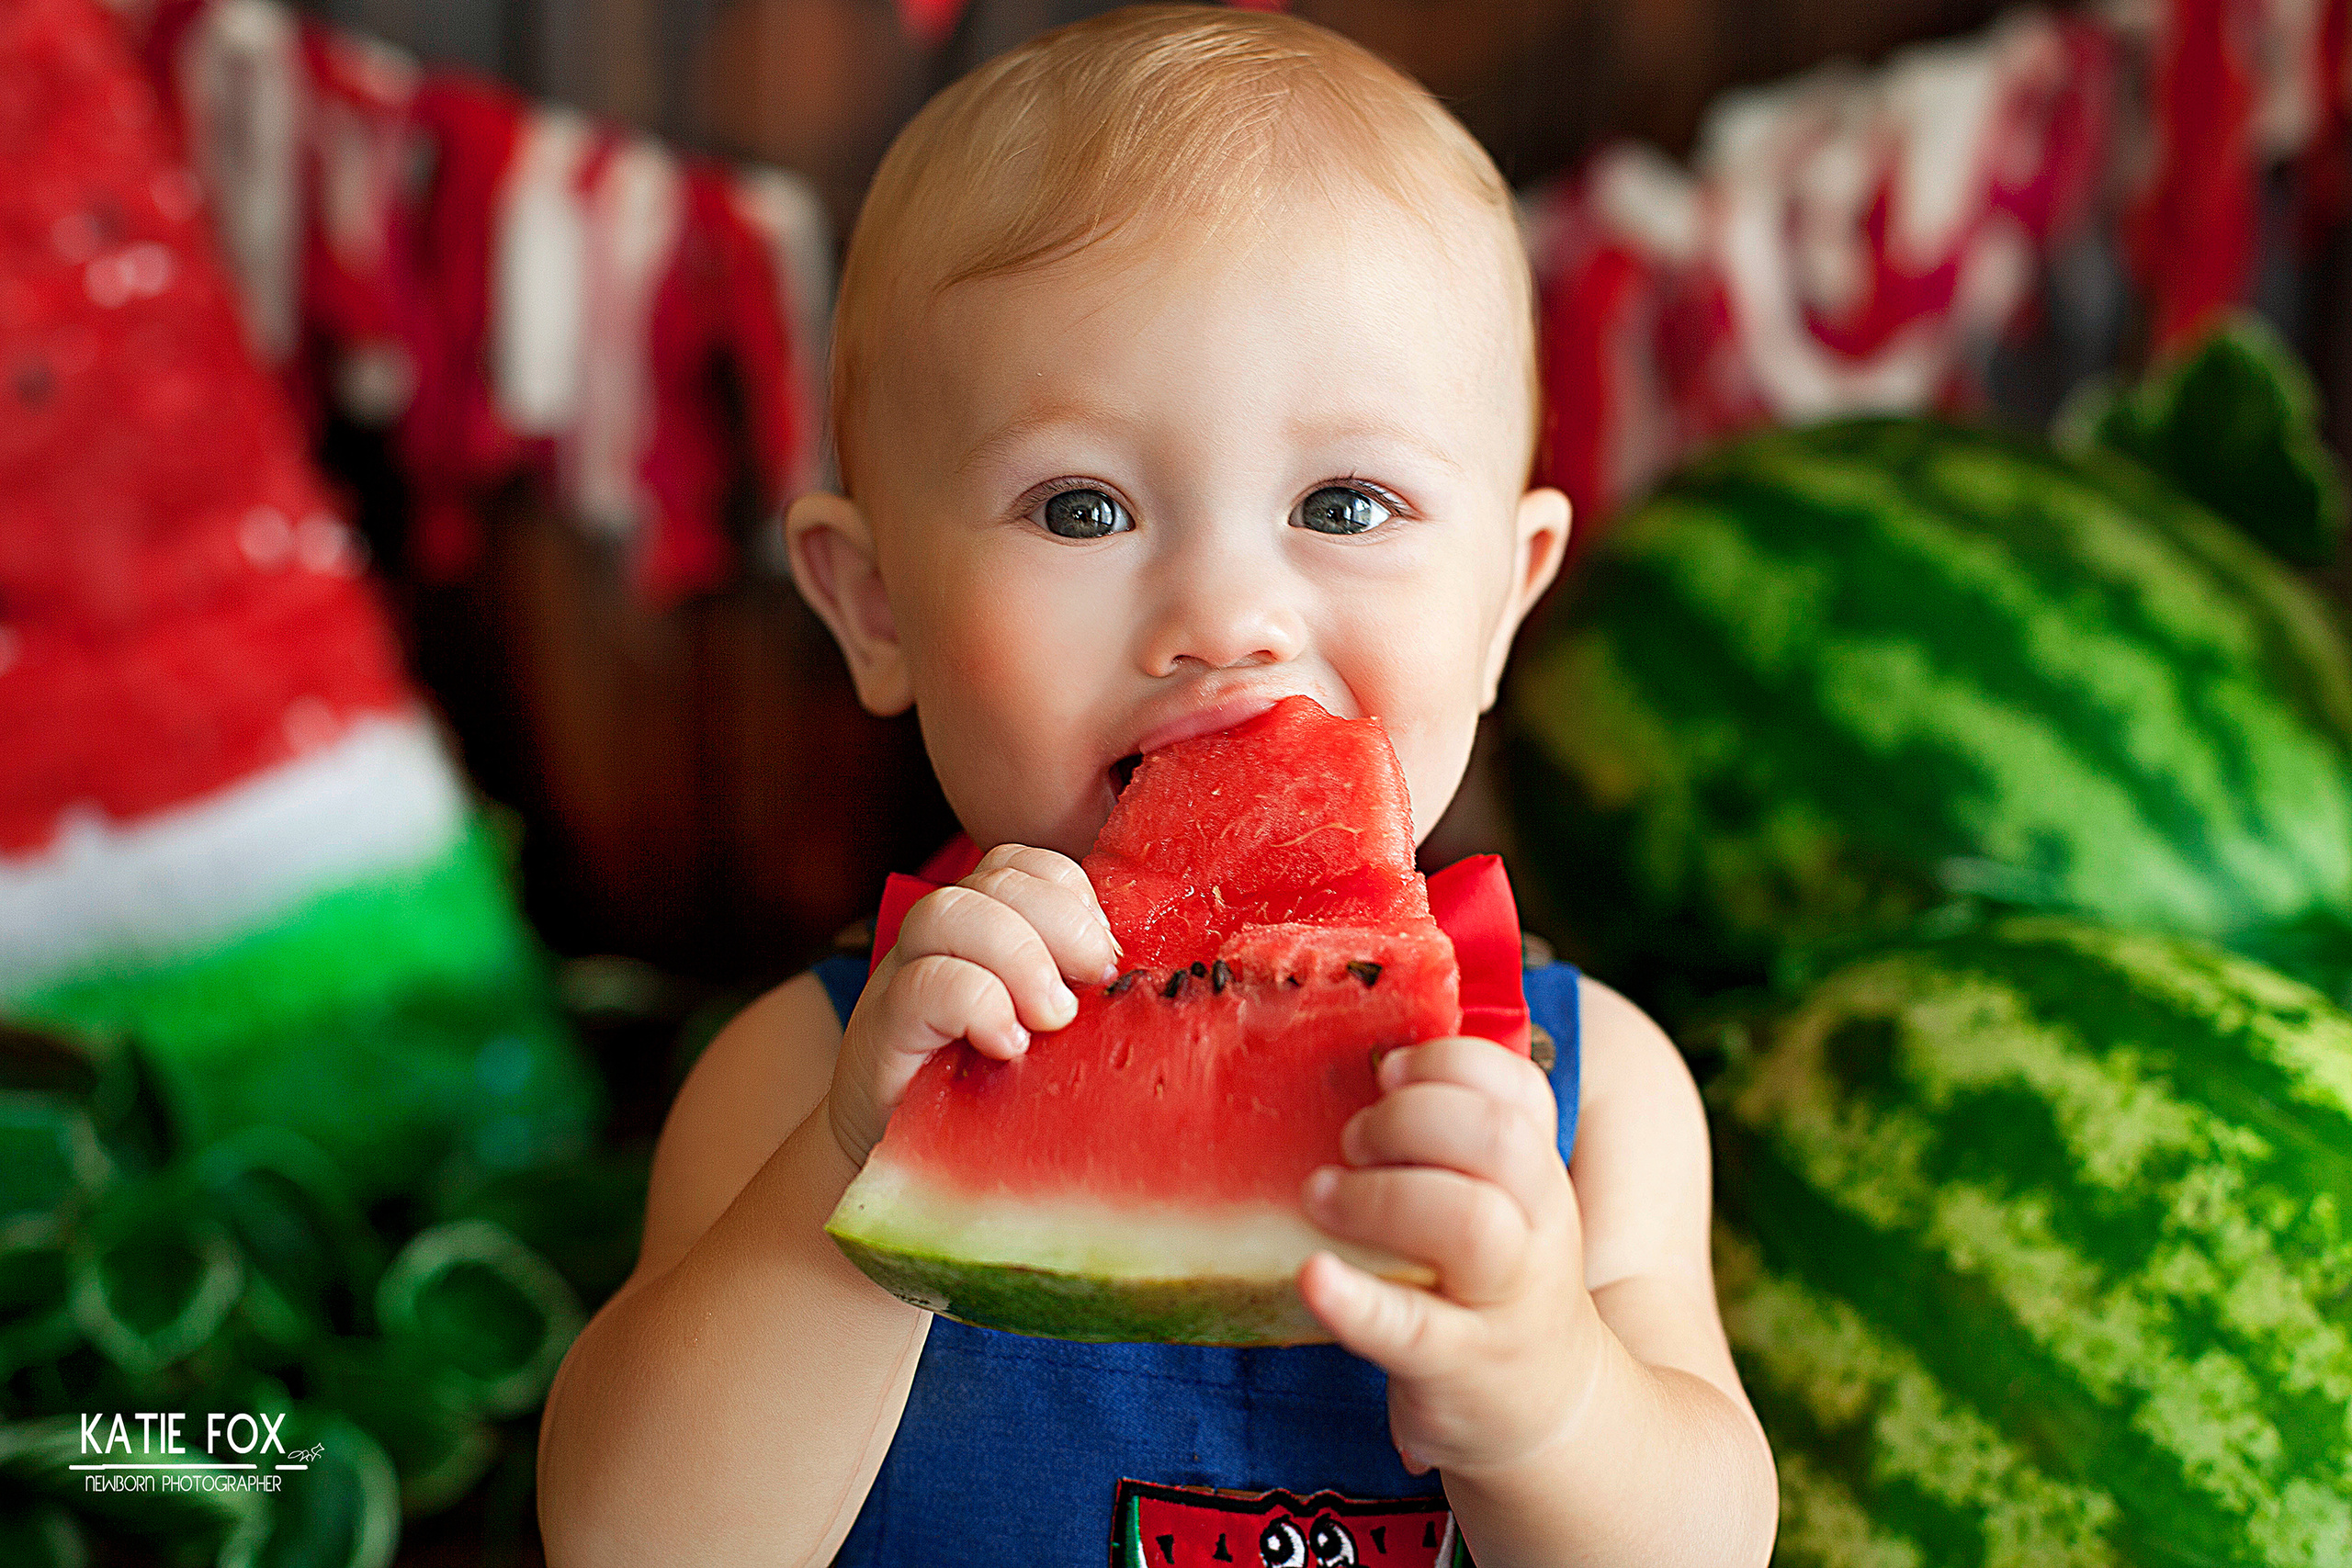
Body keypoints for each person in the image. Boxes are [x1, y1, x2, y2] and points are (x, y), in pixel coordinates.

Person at [537, 6, 1777, 1563]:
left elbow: (1705, 1545)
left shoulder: (1593, 1097)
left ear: (1504, 606)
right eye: (1080, 506)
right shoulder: (802, 1069)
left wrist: (1550, 1394)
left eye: (1345, 499)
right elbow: (631, 1543)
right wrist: (853, 1179)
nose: (1226, 618)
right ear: (875, 607)